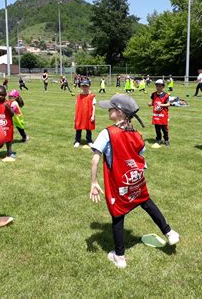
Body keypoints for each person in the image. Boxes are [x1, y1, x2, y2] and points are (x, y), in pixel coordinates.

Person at [90, 94, 179, 269]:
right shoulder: (137, 134)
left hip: (119, 184)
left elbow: (95, 159)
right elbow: (140, 154)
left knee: (117, 215)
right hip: (135, 180)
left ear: (120, 113)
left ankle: (120, 257)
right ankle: (169, 232)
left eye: (111, 108)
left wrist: (93, 182)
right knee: (146, 202)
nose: (108, 110)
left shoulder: (107, 133)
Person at [0, 85, 15, 162]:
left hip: (8, 126)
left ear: (5, 94)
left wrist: (8, 107)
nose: (0, 96)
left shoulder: (9, 103)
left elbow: (12, 114)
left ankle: (9, 152)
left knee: (8, 140)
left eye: (2, 94)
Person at [148, 79, 171, 147]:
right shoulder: (153, 94)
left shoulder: (166, 95)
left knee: (164, 129)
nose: (158, 87)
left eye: (159, 86)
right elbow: (153, 102)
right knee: (157, 128)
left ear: (163, 87)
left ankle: (166, 140)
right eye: (157, 86)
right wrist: (150, 104)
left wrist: (161, 105)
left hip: (163, 115)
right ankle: (158, 139)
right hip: (156, 115)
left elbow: (168, 104)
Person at [74, 80, 95, 148]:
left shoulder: (91, 96)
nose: (84, 88)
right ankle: (77, 141)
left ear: (89, 87)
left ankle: (89, 141)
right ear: (81, 87)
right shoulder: (79, 96)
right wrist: (75, 115)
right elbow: (77, 106)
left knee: (88, 128)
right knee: (78, 128)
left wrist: (93, 115)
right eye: (83, 86)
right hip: (80, 115)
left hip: (88, 114)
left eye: (86, 86)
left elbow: (93, 106)